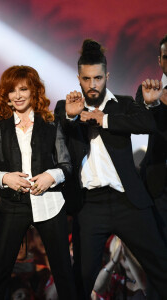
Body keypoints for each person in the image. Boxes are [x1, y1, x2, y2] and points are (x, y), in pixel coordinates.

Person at [54, 39, 167, 300]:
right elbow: (59, 129)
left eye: (97, 78)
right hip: (89, 205)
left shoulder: (124, 104)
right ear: (78, 78)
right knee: (81, 277)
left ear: (107, 76)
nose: (92, 85)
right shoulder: (67, 107)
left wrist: (102, 119)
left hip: (128, 201)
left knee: (161, 266)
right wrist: (72, 117)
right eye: (86, 78)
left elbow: (146, 124)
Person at [0, 65, 76, 299]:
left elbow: (66, 165)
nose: (18, 95)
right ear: (6, 95)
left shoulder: (50, 122)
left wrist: (50, 176)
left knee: (64, 272)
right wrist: (5, 178)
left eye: (23, 89)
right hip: (13, 205)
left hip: (49, 204)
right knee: (0, 272)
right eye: (12, 90)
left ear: (34, 91)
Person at [134, 34, 167, 300]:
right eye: (166, 56)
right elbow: (142, 121)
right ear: (159, 60)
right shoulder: (149, 91)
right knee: (161, 255)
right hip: (159, 185)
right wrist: (153, 103)